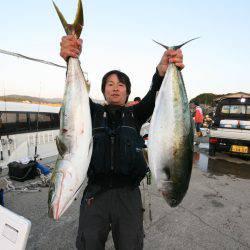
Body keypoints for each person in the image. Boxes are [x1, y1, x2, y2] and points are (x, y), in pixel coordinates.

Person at [60, 35, 184, 250]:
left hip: (129, 196)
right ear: (104, 90)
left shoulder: (136, 114)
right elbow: (76, 96)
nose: (115, 88)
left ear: (127, 90)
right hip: (95, 194)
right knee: (88, 245)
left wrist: (161, 73)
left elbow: (153, 97)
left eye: (120, 84)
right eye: (109, 84)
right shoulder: (92, 113)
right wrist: (69, 60)